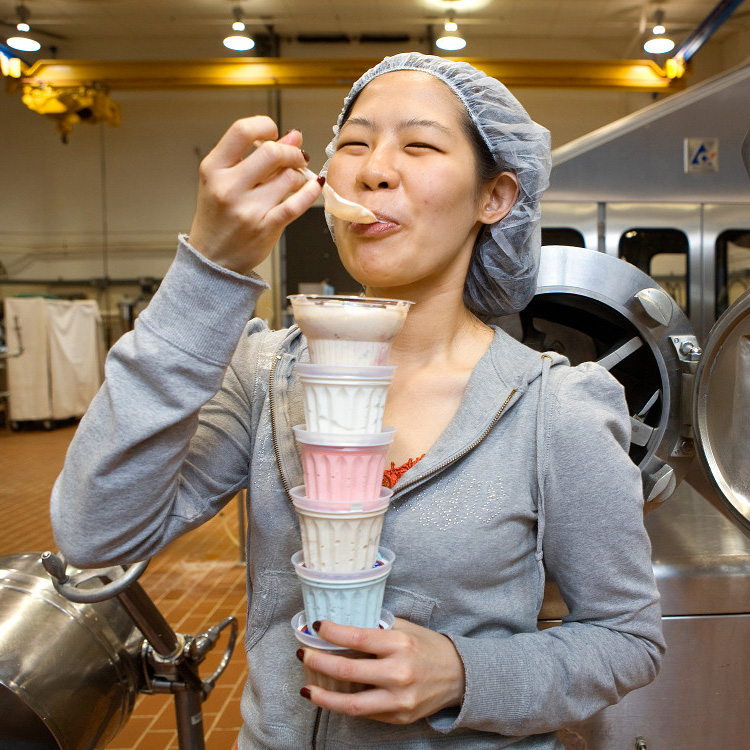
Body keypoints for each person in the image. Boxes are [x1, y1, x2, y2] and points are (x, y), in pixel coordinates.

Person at [51, 52, 665, 749]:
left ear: (494, 198)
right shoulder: (267, 375)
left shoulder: (553, 406)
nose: (374, 169)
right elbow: (96, 534)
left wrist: (463, 672)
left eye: (420, 144)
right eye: (352, 143)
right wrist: (210, 273)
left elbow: (627, 639)